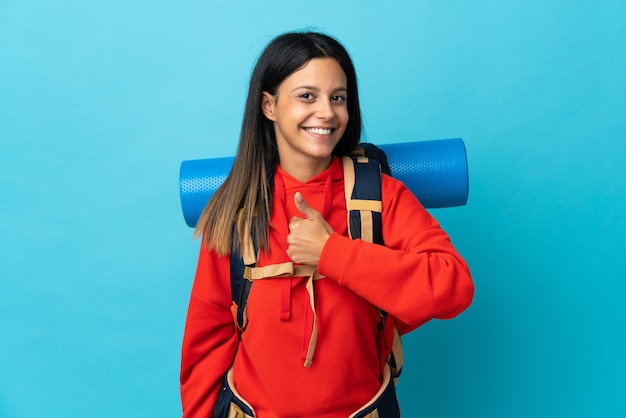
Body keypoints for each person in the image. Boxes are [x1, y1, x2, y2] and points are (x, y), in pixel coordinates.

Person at [180, 31, 474, 418]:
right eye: (307, 96)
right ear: (268, 105)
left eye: (338, 97)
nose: (327, 112)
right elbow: (207, 342)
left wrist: (333, 253)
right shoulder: (236, 208)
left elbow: (453, 287)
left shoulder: (381, 197)